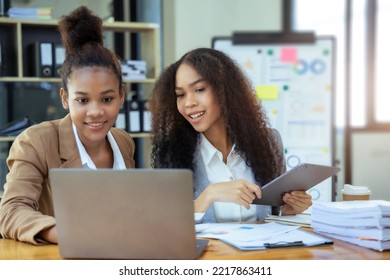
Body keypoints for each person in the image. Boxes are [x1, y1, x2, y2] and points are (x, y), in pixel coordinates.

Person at [0, 6, 135, 244]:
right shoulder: (36, 141)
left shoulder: (123, 142)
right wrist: (67, 233)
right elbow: (10, 211)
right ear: (65, 98)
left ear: (121, 96)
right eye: (82, 100)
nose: (95, 112)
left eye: (107, 99)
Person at [149, 48, 312, 223]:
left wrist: (289, 210)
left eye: (199, 89)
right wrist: (210, 195)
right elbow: (164, 223)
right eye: (180, 95)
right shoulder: (170, 153)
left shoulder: (268, 142)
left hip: (261, 250)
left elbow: (273, 215)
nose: (189, 103)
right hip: (209, 251)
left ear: (224, 90)